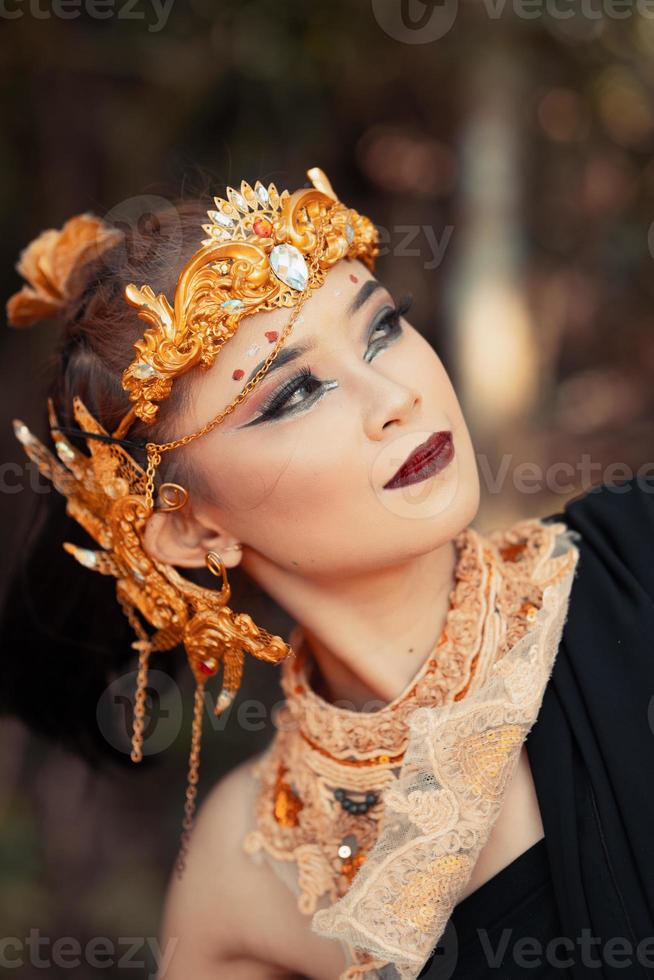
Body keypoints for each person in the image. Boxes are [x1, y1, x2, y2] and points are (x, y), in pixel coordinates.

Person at [3, 167, 653, 980]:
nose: (393, 396)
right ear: (188, 526)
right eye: (296, 392)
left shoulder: (640, 556)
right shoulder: (248, 876)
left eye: (381, 328)